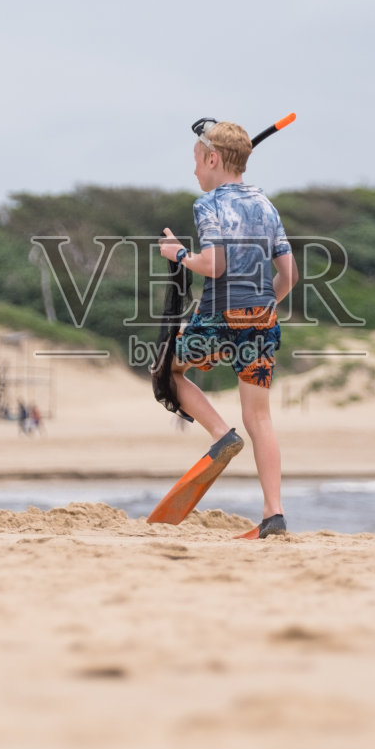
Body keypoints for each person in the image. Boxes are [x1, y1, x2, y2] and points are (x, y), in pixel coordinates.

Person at [159, 120, 298, 538]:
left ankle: (221, 436)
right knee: (260, 418)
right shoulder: (266, 204)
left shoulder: (210, 205)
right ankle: (274, 515)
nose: (194, 171)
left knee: (166, 367)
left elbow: (214, 265)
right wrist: (262, 308)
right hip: (262, 321)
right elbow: (289, 276)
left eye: (197, 162)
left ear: (213, 158)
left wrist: (178, 252)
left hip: (221, 319)